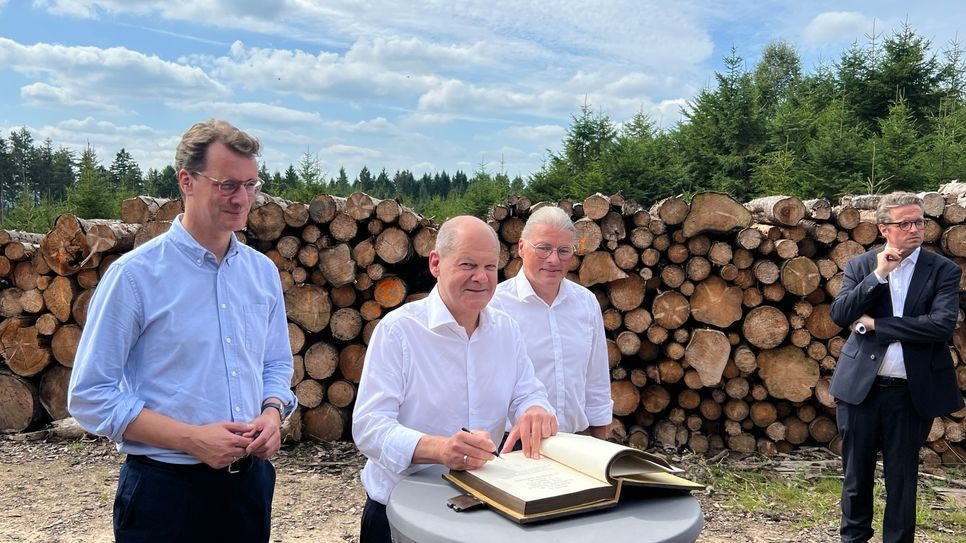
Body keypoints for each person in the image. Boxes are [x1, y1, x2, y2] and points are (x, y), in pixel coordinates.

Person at [68, 119, 296, 543]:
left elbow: (276, 362)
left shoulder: (261, 273)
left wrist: (271, 412)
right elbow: (89, 395)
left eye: (251, 184)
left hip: (250, 486)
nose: (243, 198)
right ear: (186, 181)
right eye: (227, 184)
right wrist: (191, 439)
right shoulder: (134, 276)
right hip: (165, 494)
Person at [352, 215, 558, 543]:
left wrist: (534, 408)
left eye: (490, 267)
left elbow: (527, 391)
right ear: (436, 262)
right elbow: (369, 427)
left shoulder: (507, 330)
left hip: (484, 507)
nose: (481, 278)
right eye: (467, 264)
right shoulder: (398, 331)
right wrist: (438, 448)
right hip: (400, 514)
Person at [829, 192, 964, 543]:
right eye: (904, 223)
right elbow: (840, 315)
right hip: (861, 391)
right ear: (884, 228)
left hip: (910, 393)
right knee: (856, 480)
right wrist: (878, 275)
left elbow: (941, 326)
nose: (914, 229)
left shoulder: (944, 270)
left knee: (902, 482)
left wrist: (876, 325)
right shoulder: (862, 266)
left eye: (919, 221)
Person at [489, 206, 613, 439]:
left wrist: (600, 445)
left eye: (564, 250)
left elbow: (596, 382)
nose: (554, 259)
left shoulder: (586, 303)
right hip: (514, 443)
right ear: (522, 248)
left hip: (578, 440)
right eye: (544, 248)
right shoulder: (494, 306)